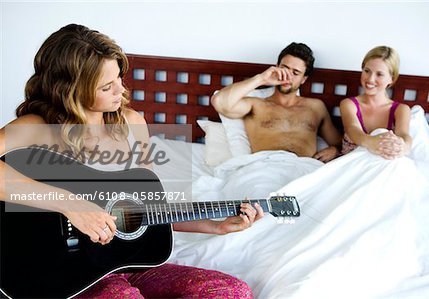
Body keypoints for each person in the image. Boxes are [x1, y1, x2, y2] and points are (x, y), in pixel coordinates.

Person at [0, 23, 263, 298]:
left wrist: (214, 226)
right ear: (72, 89)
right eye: (107, 86)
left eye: (120, 79)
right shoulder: (35, 127)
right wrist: (70, 204)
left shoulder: (132, 123)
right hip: (66, 272)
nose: (121, 91)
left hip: (130, 262)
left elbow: (146, 210)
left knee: (231, 291)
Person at [211, 42, 342, 162]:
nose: (287, 77)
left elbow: (340, 143)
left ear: (303, 79)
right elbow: (220, 102)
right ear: (276, 67)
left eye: (295, 73)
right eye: (284, 69)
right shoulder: (256, 105)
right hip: (265, 168)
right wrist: (261, 79)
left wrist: (335, 150)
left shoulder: (315, 107)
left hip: (303, 170)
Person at [339, 46, 412, 159]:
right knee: (381, 132)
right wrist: (372, 142)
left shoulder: (401, 110)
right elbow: (353, 130)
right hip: (352, 167)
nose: (370, 79)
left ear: (391, 79)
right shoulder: (349, 104)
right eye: (367, 71)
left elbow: (404, 135)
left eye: (379, 74)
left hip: (382, 168)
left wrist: (402, 147)